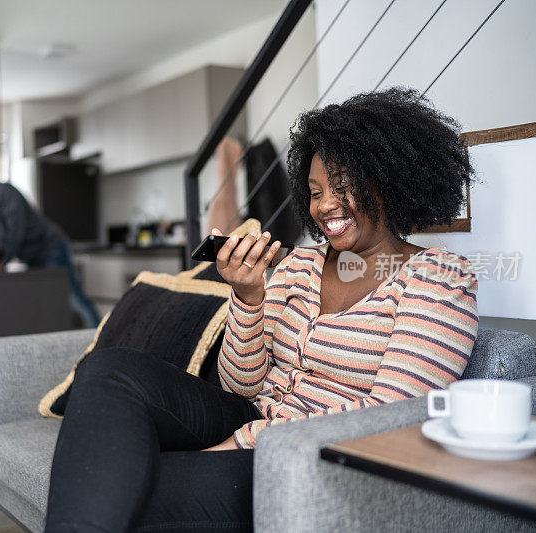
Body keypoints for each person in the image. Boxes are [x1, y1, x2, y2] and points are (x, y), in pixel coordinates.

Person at [43, 88, 480, 532]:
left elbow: (390, 415)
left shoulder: (440, 277)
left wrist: (246, 441)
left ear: (388, 181)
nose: (325, 204)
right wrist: (248, 297)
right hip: (253, 416)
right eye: (315, 191)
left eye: (343, 186)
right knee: (107, 370)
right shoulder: (299, 264)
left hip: (312, 453)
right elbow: (241, 386)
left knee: (117, 485)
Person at [0, 163, 101, 328]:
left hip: (51, 248)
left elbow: (16, 235)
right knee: (46, 304)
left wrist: (1, 264)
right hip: (32, 258)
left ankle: (104, 338)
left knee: (73, 298)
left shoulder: (6, 194)